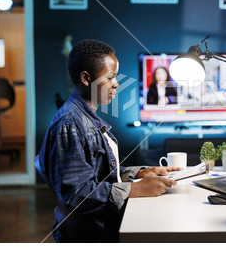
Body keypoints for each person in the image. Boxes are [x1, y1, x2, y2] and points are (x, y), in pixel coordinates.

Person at [36, 39, 181, 242]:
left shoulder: (84, 117)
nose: (116, 83)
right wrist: (136, 188)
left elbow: (97, 174)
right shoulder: (71, 124)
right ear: (86, 78)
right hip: (91, 235)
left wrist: (138, 173)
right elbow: (76, 194)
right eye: (110, 77)